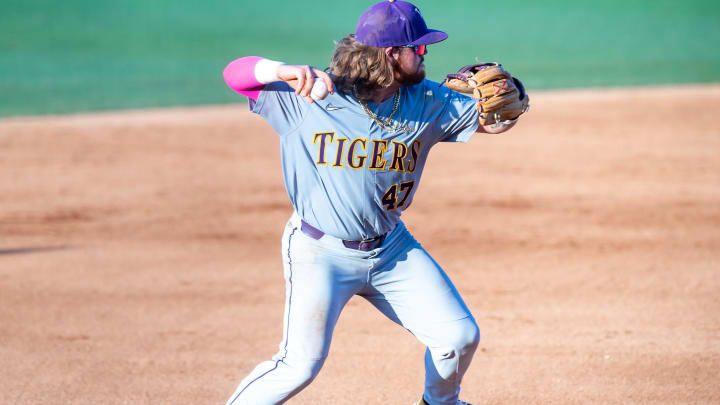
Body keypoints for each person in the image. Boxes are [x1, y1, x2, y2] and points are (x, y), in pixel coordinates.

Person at [222, 1, 521, 404]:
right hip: (319, 252)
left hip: (390, 249)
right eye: (418, 46)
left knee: (457, 336)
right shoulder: (309, 94)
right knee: (299, 366)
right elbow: (235, 75)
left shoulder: (428, 100)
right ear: (390, 53)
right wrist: (278, 70)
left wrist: (511, 99)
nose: (426, 52)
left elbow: (492, 117)